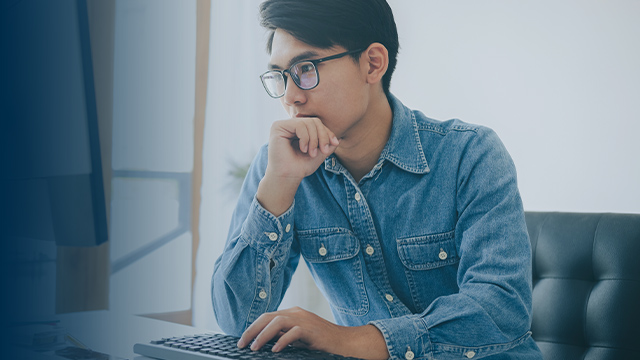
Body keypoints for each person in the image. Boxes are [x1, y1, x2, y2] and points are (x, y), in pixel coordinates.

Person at [212, 1, 543, 359]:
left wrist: (345, 339)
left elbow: (500, 309)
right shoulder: (280, 166)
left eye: (306, 69)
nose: (291, 96)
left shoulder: (470, 155)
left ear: (372, 63)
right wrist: (278, 187)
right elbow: (236, 321)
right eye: (280, 75)